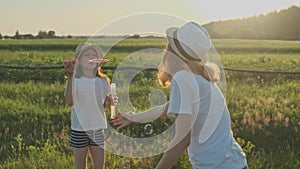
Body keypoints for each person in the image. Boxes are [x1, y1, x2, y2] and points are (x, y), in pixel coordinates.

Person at [112, 22, 248, 169]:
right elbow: (166, 108)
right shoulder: (200, 79)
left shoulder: (183, 78)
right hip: (235, 162)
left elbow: (183, 138)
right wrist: (132, 117)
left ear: (173, 52)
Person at [64, 42, 113, 169]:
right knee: (80, 166)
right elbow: (69, 102)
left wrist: (109, 102)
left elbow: (104, 106)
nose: (91, 57)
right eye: (87, 55)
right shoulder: (75, 80)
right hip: (79, 129)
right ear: (78, 60)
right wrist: (70, 77)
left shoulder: (103, 81)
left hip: (97, 128)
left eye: (94, 55)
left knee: (99, 166)